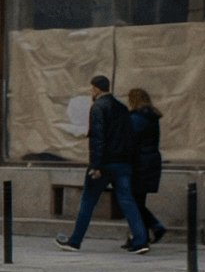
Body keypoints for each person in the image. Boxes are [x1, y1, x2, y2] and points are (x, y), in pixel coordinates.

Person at [54, 73, 149, 254]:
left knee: (88, 202)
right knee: (128, 202)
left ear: (96, 88)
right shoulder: (121, 107)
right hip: (122, 164)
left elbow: (97, 139)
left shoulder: (98, 107)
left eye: (91, 88)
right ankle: (141, 241)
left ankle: (75, 241)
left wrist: (96, 166)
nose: (91, 91)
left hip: (104, 163)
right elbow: (129, 137)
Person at [124, 86, 166, 248]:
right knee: (137, 201)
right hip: (151, 161)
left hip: (140, 163)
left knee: (133, 202)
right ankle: (144, 235)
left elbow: (130, 140)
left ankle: (153, 229)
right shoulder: (151, 116)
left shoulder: (138, 117)